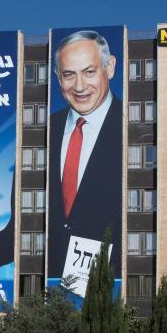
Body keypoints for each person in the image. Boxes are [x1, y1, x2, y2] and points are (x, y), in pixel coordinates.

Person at [47, 30, 123, 292]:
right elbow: (27, 222)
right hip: (50, 295)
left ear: (109, 67)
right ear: (58, 77)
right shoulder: (41, 132)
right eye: (69, 75)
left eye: (89, 72)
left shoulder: (135, 127)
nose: (79, 86)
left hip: (110, 291)